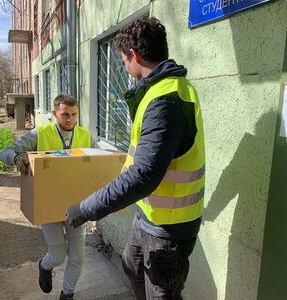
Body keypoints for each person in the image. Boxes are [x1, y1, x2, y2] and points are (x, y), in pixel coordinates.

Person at [66, 16, 205, 299]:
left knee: (161, 292)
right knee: (132, 268)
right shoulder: (158, 91)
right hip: (148, 217)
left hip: (168, 230)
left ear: (134, 55)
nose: (125, 68)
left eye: (123, 61)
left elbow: (143, 175)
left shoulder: (166, 100)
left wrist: (86, 208)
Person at [0, 95, 92, 300]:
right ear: (54, 114)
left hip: (77, 205)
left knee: (77, 257)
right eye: (65, 114)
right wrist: (17, 158)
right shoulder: (39, 134)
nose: (70, 119)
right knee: (58, 256)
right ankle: (45, 265)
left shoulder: (86, 136)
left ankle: (67, 294)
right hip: (48, 204)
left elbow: (98, 163)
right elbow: (4, 153)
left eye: (74, 115)